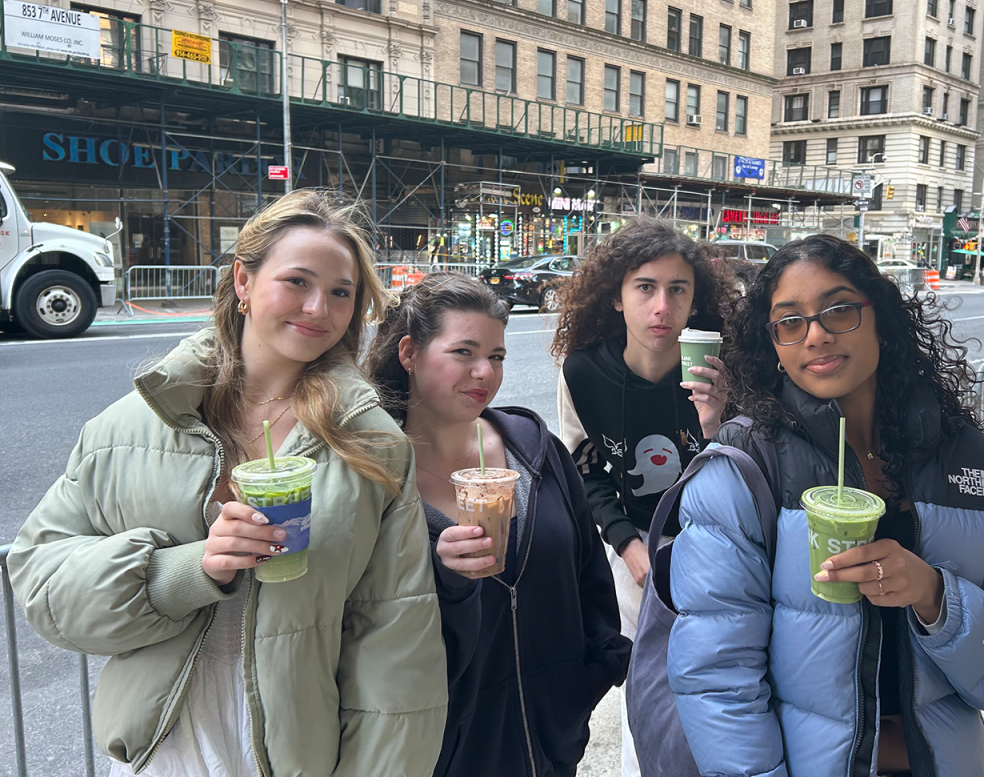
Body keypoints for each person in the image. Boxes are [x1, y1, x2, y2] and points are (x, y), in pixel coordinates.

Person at [9, 190, 447, 777]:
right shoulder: (127, 427)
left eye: (341, 292)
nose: (318, 307)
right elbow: (41, 581)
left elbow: (396, 640)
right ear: (243, 281)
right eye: (297, 281)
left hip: (299, 750)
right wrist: (187, 570)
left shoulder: (374, 445)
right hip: (162, 744)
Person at [666, 235, 984, 777]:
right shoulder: (743, 468)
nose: (816, 334)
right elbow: (716, 679)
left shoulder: (975, 463)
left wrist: (935, 596)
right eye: (790, 322)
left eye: (839, 310)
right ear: (774, 348)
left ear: (880, 317)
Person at [365, 272, 629, 777]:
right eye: (464, 352)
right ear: (409, 354)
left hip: (552, 741)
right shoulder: (373, 480)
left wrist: (585, 681)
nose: (485, 372)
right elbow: (363, 630)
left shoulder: (536, 451)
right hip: (439, 752)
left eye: (498, 356)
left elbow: (588, 578)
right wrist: (444, 579)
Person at [550, 216, 736, 777]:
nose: (662, 307)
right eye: (646, 288)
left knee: (719, 685)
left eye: (678, 290)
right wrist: (631, 549)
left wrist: (719, 418)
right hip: (635, 558)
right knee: (649, 689)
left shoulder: (720, 370)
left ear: (695, 300)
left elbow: (744, 472)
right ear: (616, 298)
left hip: (717, 552)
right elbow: (585, 473)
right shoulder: (582, 373)